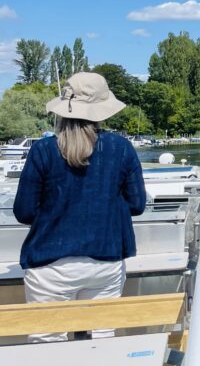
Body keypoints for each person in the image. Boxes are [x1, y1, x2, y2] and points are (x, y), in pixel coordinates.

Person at [13, 72, 147, 343]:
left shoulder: (43, 150)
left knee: (46, 347)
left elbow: (24, 211)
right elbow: (137, 204)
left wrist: (57, 215)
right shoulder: (121, 148)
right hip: (105, 262)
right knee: (100, 341)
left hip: (49, 265)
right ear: (101, 110)